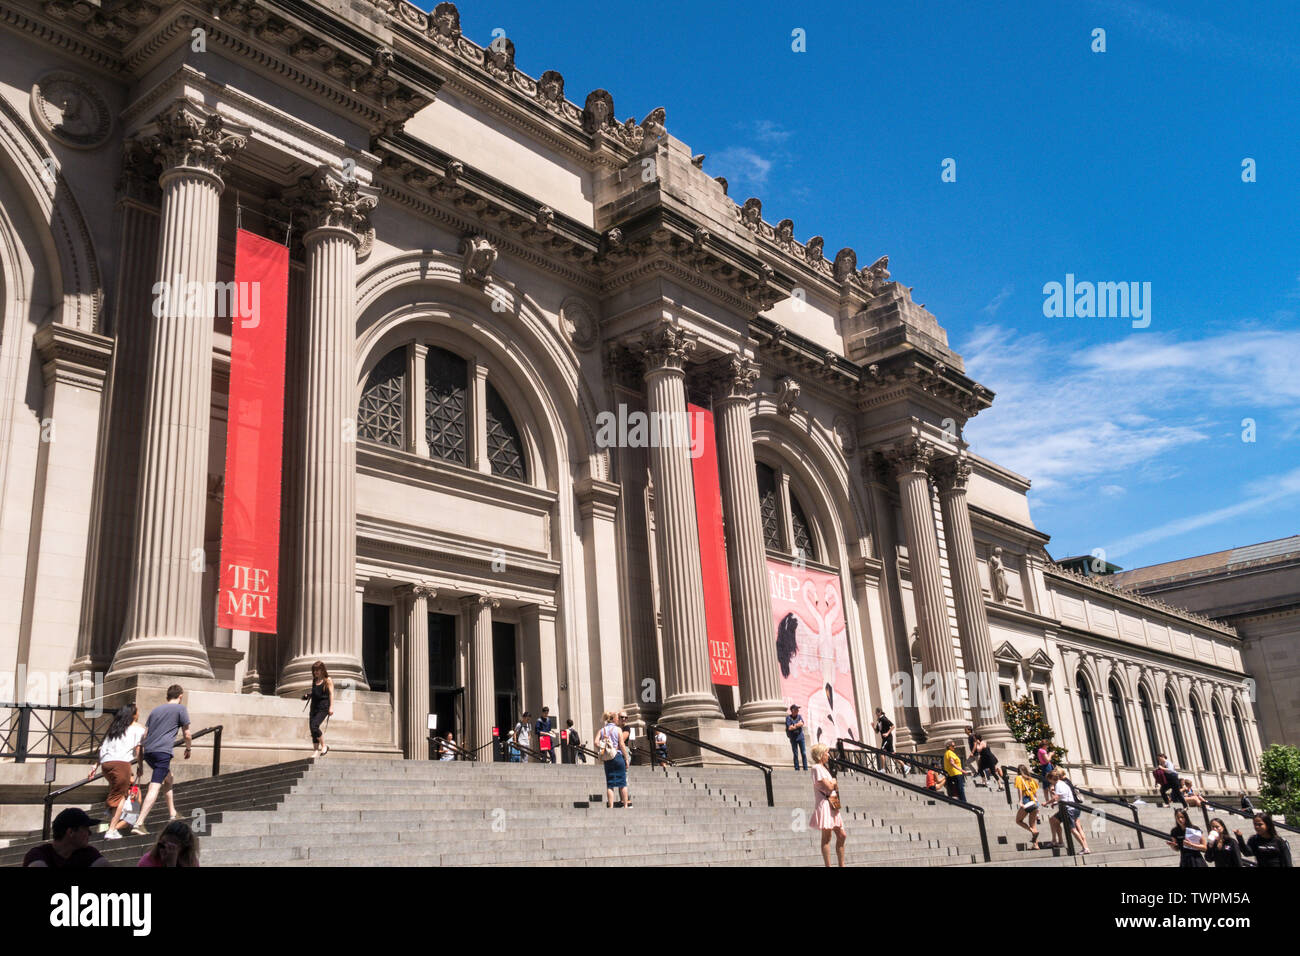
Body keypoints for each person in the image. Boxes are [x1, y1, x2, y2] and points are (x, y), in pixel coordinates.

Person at [134, 684, 191, 835]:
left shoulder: (155, 710)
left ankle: (173, 813)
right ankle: (139, 823)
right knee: (155, 786)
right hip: (162, 752)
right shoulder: (181, 709)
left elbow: (144, 736)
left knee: (169, 777)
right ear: (180, 696)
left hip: (149, 752)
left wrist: (140, 763)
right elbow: (187, 734)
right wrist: (188, 748)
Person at [88, 703, 145, 839]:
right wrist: (140, 766)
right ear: (133, 714)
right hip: (121, 764)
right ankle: (111, 829)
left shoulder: (114, 729)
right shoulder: (137, 729)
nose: (139, 714)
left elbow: (103, 749)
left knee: (117, 793)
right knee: (121, 796)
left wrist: (95, 766)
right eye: (137, 712)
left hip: (106, 764)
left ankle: (112, 822)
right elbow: (139, 750)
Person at [23, 808, 110, 868]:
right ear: (71, 832)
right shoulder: (39, 854)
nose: (90, 833)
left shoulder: (88, 853)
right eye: (85, 829)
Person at [810, 743, 847, 867]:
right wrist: (834, 782)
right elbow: (830, 786)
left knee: (842, 835)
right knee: (827, 836)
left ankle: (842, 864)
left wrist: (833, 783)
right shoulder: (816, 768)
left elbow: (833, 786)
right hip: (825, 803)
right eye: (826, 752)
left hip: (833, 800)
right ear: (821, 754)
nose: (828, 754)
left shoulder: (824, 768)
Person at [1048, 770, 1091, 854]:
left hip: (1069, 808)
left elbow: (1057, 796)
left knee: (1073, 829)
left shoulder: (1059, 784)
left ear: (1052, 779)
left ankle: (1085, 848)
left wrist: (1047, 802)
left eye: (1049, 780)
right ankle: (1059, 841)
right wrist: (1056, 802)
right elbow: (1064, 796)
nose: (1049, 782)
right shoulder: (1065, 782)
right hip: (1069, 807)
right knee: (1053, 820)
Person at [597, 710, 630, 809]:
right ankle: (625, 805)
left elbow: (595, 742)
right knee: (622, 783)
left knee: (610, 784)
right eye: (617, 717)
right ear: (613, 719)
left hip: (608, 758)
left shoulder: (602, 730)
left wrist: (604, 745)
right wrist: (626, 758)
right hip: (618, 756)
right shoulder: (618, 729)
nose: (618, 719)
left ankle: (610, 806)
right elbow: (622, 745)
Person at [303, 661, 334, 757]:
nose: (316, 672)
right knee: (312, 730)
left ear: (322, 669)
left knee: (314, 726)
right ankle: (316, 750)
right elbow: (316, 693)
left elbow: (331, 693)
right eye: (314, 670)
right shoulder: (314, 681)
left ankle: (324, 746)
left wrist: (331, 707)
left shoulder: (327, 680)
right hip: (314, 707)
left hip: (323, 707)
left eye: (317, 670)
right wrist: (307, 696)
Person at [1012, 763, 1041, 850]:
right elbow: (1035, 793)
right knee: (1033, 824)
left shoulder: (1018, 778)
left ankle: (1032, 832)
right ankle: (1036, 845)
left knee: (1018, 820)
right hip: (1034, 803)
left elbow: (1020, 790)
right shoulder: (1032, 780)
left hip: (1027, 801)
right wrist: (1037, 805)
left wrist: (1020, 801)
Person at [873, 707, 900, 774]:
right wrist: (872, 726)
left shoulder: (884, 719)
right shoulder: (879, 720)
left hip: (888, 738)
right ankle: (904, 766)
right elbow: (877, 731)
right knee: (892, 754)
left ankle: (883, 769)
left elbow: (893, 726)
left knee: (882, 753)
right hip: (885, 739)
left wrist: (887, 733)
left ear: (879, 712)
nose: (876, 714)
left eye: (876, 713)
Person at [786, 704, 808, 771]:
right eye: (796, 709)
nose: (798, 710)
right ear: (792, 710)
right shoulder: (788, 718)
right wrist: (797, 725)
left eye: (798, 709)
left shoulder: (799, 716)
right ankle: (797, 768)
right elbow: (789, 728)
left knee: (803, 753)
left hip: (801, 737)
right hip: (793, 738)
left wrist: (794, 726)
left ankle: (805, 768)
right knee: (795, 754)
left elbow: (801, 723)